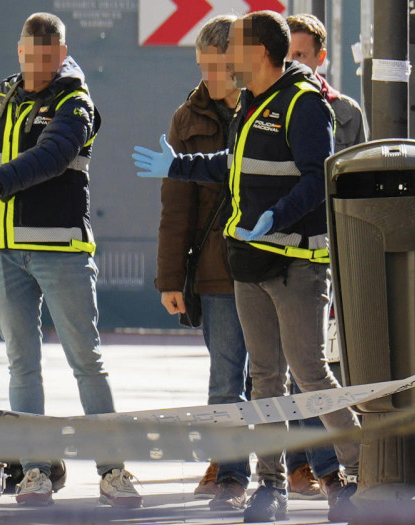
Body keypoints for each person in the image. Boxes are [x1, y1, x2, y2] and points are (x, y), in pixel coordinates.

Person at [132, 11, 362, 523]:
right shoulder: (250, 105)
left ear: (258, 53)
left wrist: (274, 217)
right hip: (249, 265)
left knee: (309, 373)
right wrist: (177, 166)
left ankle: (357, 471)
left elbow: (316, 179)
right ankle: (271, 485)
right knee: (264, 380)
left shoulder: (304, 105)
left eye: (233, 47)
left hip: (296, 267)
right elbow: (232, 163)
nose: (224, 58)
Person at [0, 12, 141, 509]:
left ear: (61, 54)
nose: (39, 67)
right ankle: (34, 471)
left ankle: (112, 470)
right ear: (19, 51)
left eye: (49, 58)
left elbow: (53, 156)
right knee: (21, 364)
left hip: (60, 250)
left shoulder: (74, 101)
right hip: (0, 249)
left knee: (86, 361)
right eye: (32, 57)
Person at [153, 15, 251, 511]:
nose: (207, 77)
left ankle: (279, 469)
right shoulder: (186, 119)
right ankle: (232, 473)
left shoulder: (270, 108)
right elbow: (177, 208)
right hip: (216, 271)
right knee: (225, 378)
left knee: (274, 378)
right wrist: (171, 278)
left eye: (215, 67)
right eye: (202, 67)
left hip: (272, 262)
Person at [280, 12, 371, 501]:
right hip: (276, 249)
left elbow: (353, 186)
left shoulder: (346, 111)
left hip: (328, 252)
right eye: (286, 53)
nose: (292, 62)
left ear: (320, 58)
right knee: (293, 364)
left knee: (313, 362)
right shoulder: (265, 105)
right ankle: (305, 466)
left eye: (300, 54)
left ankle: (326, 464)